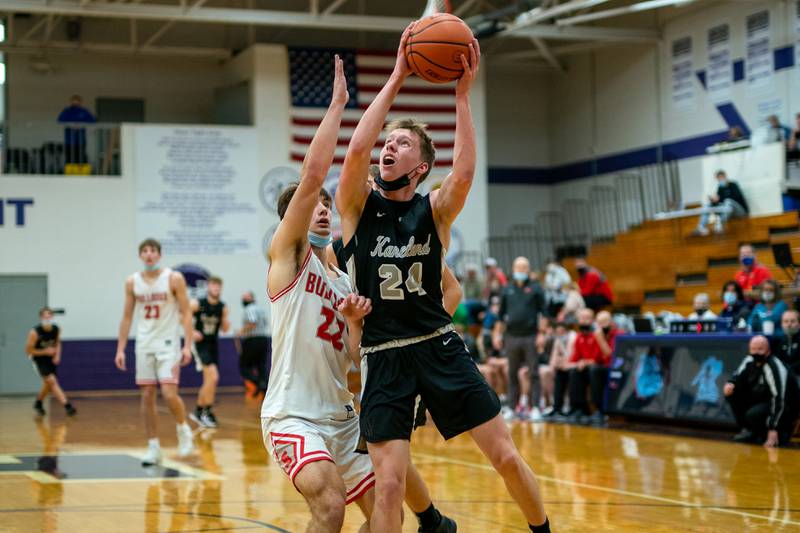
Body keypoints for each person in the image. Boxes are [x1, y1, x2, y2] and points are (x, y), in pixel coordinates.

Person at [335, 24, 550, 533]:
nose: (388, 148)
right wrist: (398, 74)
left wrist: (462, 96)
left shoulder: (435, 210)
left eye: (402, 144)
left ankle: (542, 530)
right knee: (388, 485)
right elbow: (355, 151)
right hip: (383, 355)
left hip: (439, 346)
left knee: (505, 457)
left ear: (422, 165)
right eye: (388, 142)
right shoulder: (356, 206)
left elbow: (465, 172)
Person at [261, 58, 455, 533]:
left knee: (386, 514)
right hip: (294, 414)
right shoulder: (287, 259)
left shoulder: (349, 281)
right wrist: (338, 106)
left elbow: (353, 359)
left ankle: (430, 519)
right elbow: (313, 175)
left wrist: (353, 324)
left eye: (328, 207)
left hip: (344, 416)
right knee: (330, 506)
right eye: (314, 208)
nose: (323, 211)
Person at [114, 238, 195, 465]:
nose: (149, 255)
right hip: (144, 343)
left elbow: (186, 312)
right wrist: (120, 348)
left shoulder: (173, 278)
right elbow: (127, 316)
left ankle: (183, 429)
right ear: (140, 255)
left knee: (169, 394)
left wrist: (188, 344)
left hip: (168, 342)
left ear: (159, 255)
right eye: (145, 251)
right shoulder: (132, 282)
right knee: (147, 395)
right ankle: (153, 447)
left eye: (153, 251)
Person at [492, 256, 546, 420]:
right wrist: (497, 334)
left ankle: (535, 407)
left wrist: (541, 335)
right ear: (513, 269)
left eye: (524, 267)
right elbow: (501, 316)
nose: (521, 270)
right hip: (511, 336)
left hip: (530, 336)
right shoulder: (507, 289)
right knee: (512, 372)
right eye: (518, 267)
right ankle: (512, 407)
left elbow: (543, 314)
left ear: (528, 270)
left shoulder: (536, 288)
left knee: (533, 372)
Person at [724, 335, 799, 447]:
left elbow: (780, 400)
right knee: (731, 392)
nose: (756, 353)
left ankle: (778, 432)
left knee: (753, 414)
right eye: (753, 349)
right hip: (763, 400)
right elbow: (736, 376)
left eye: (760, 349)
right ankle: (749, 431)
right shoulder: (749, 360)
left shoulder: (775, 367)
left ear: (768, 350)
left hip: (785, 407)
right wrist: (731, 383)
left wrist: (773, 428)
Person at [189, 276, 230, 428]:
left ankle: (200, 411)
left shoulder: (222, 307)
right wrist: (191, 331)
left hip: (213, 344)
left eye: (218, 286)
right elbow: (183, 316)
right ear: (208, 287)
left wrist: (226, 322)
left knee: (210, 381)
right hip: (200, 344)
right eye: (213, 286)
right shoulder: (197, 303)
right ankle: (206, 411)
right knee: (213, 377)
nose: (216, 289)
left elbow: (225, 329)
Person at [25, 307, 76, 417]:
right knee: (52, 381)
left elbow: (58, 343)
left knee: (48, 385)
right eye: (45, 316)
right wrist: (44, 351)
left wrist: (57, 355)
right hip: (38, 360)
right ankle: (67, 406)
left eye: (49, 316)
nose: (47, 318)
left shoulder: (56, 329)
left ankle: (38, 403)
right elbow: (28, 350)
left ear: (52, 317)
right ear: (41, 317)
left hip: (49, 359)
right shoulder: (35, 332)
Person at [565, 308, 611, 424]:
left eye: (587, 318)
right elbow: (574, 358)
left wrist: (584, 362)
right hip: (588, 368)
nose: (584, 322)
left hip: (601, 367)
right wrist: (575, 363)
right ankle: (579, 408)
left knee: (594, 370)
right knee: (574, 371)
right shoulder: (579, 337)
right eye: (582, 318)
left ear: (593, 320)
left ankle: (599, 410)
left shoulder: (597, 335)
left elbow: (600, 358)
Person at [517, 317, 554, 420]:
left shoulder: (551, 339)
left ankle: (542, 404)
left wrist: (541, 349)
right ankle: (523, 403)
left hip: (548, 365)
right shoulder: (533, 338)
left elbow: (548, 359)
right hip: (536, 365)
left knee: (540, 372)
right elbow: (529, 358)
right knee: (522, 372)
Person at [236, 291, 270, 398]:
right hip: (263, 339)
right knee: (261, 366)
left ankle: (259, 383)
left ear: (251, 298)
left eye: (246, 298)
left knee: (244, 367)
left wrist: (240, 331)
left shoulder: (250, 309)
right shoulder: (261, 310)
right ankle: (266, 391)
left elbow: (252, 322)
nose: (244, 300)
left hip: (252, 339)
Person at [694, 170, 749, 235]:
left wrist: (722, 199)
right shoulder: (720, 188)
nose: (720, 180)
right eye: (718, 179)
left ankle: (720, 223)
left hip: (740, 212)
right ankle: (701, 226)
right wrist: (714, 201)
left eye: (721, 178)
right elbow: (719, 202)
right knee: (709, 205)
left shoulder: (733, 185)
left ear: (725, 177)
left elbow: (736, 198)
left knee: (728, 201)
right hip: (728, 212)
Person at [543, 321, 576, 418]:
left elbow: (570, 356)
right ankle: (556, 406)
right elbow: (553, 358)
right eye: (557, 332)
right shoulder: (558, 339)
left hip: (575, 363)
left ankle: (568, 406)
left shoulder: (573, 337)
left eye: (561, 332)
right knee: (553, 372)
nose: (559, 334)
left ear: (566, 330)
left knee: (566, 372)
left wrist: (561, 362)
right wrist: (553, 366)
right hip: (565, 365)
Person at [57, 94, 96, 166]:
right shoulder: (66, 111)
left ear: (80, 102)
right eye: (73, 101)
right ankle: (70, 173)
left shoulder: (84, 111)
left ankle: (81, 174)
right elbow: (60, 121)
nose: (75, 103)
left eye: (77, 102)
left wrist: (81, 126)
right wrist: (70, 125)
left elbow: (92, 121)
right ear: (70, 102)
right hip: (69, 140)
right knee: (69, 158)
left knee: (81, 158)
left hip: (81, 140)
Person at [771, 310, 800, 380]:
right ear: (781, 324)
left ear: (799, 323)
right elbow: (776, 360)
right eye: (786, 321)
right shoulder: (778, 341)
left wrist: (788, 370)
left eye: (792, 321)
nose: (789, 324)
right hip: (783, 376)